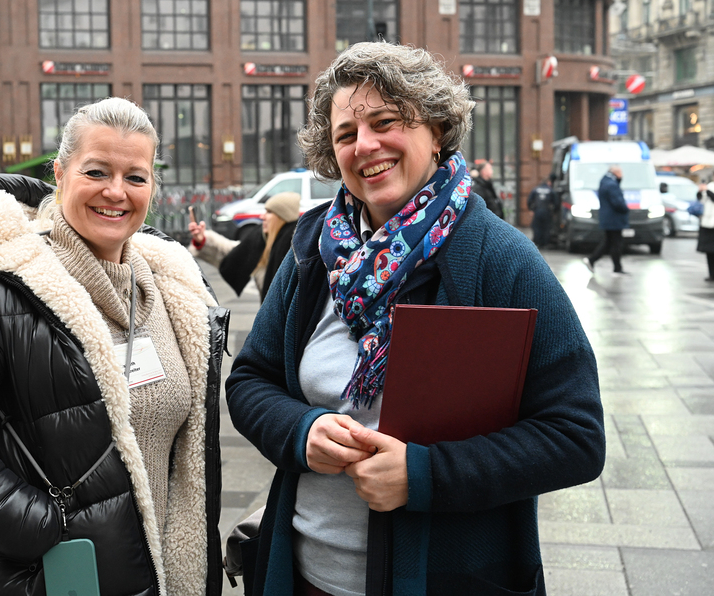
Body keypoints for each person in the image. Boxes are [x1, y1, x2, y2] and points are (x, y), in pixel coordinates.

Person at [225, 43, 604, 596]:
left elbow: (576, 436)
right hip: (305, 576)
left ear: (437, 129)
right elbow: (249, 380)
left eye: (385, 122)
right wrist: (301, 431)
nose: (365, 145)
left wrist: (424, 475)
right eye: (346, 134)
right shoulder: (311, 250)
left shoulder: (500, 259)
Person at [0, 97, 228, 596]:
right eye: (97, 171)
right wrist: (44, 528)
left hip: (161, 573)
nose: (116, 192)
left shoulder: (172, 288)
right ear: (59, 173)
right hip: (42, 578)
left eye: (136, 177)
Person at [188, 191, 300, 301]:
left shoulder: (294, 248)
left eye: (269, 212)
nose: (263, 216)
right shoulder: (262, 237)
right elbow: (236, 253)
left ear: (282, 217)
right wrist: (203, 240)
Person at [583, 165, 629, 275]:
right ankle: (614, 267)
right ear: (615, 173)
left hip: (609, 219)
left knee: (608, 243)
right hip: (614, 220)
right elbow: (618, 202)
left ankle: (594, 261)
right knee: (615, 243)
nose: (622, 174)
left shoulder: (605, 182)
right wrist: (626, 209)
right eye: (620, 172)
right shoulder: (612, 185)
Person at [527, 177, 558, 249]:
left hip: (537, 211)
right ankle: (545, 243)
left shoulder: (536, 189)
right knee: (546, 228)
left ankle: (538, 242)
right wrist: (554, 211)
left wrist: (531, 209)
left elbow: (529, 200)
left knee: (537, 227)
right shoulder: (551, 190)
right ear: (548, 182)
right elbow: (556, 202)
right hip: (547, 212)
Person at [696, 182, 714, 281]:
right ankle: (711, 274)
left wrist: (707, 191)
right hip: (707, 223)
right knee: (709, 251)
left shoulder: (709, 188)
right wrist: (700, 192)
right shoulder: (710, 185)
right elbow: (701, 200)